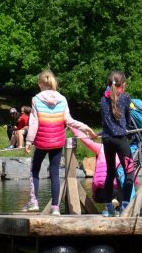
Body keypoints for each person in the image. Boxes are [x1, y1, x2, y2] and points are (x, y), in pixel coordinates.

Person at [23, 70, 98, 215]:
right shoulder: (62, 99)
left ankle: (33, 201)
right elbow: (69, 121)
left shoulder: (36, 99)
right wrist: (86, 128)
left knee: (34, 170)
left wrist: (28, 141)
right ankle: (55, 208)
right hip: (57, 142)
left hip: (41, 142)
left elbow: (34, 123)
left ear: (40, 84)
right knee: (55, 173)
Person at [100, 70, 134, 214]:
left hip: (107, 140)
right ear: (123, 84)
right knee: (129, 173)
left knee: (110, 173)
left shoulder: (103, 99)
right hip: (121, 140)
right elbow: (128, 118)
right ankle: (125, 206)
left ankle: (108, 208)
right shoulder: (125, 98)